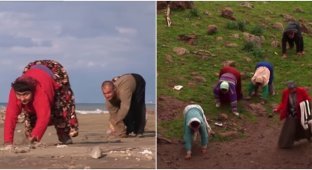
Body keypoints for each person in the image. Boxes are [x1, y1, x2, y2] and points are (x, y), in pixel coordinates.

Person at [3, 60, 79, 148]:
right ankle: (31, 136)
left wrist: (35, 137)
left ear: (32, 91)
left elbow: (44, 117)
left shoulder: (39, 92)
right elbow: (10, 116)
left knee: (61, 108)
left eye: (26, 94)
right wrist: (8, 142)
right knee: (29, 117)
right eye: (19, 95)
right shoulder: (14, 91)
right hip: (33, 68)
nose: (22, 98)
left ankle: (64, 135)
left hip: (54, 71)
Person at [101, 73, 146, 138]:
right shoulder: (108, 102)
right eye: (105, 93)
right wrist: (121, 132)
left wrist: (116, 121)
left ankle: (139, 130)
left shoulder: (123, 91)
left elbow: (125, 107)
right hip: (124, 81)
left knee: (137, 106)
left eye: (109, 92)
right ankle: (129, 129)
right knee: (118, 115)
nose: (107, 95)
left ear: (114, 89)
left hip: (137, 81)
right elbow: (114, 115)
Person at [273, 81, 312, 148]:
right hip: (291, 113)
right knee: (289, 128)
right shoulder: (285, 92)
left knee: (304, 126)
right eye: (290, 89)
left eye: (293, 88)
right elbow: (283, 103)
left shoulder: (301, 91)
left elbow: (307, 99)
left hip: (301, 113)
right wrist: (278, 109)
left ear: (296, 87)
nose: (292, 90)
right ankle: (285, 144)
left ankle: (309, 137)